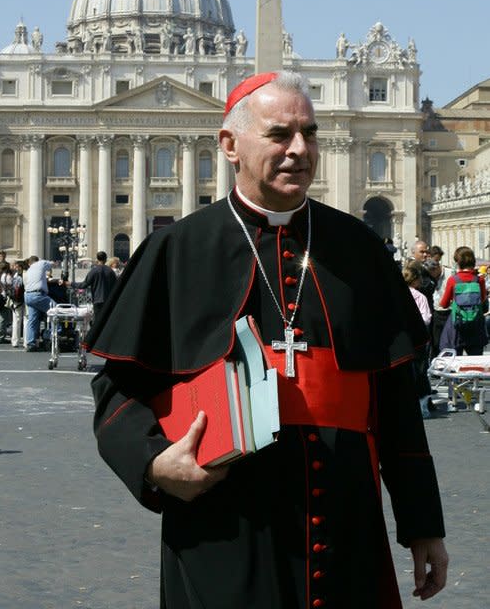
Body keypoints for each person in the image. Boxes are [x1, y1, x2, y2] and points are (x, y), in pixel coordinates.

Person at [88, 71, 448, 608]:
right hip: (225, 526)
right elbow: (117, 389)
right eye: (280, 134)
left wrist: (423, 525)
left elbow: (396, 404)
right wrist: (153, 462)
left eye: (309, 133)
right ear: (230, 145)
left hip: (347, 522)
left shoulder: (360, 250)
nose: (299, 149)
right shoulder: (176, 250)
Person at [439, 246, 487, 356]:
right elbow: (483, 299)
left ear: (457, 262)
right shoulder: (479, 280)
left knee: (453, 356)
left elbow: (444, 304)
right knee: (475, 360)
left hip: (458, 324)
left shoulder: (453, 280)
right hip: (476, 324)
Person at [402, 261, 433, 418]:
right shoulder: (420, 296)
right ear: (415, 280)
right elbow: (426, 318)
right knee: (421, 372)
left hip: (402, 339)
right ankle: (424, 406)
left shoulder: (398, 295)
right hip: (418, 340)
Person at [71, 251, 117, 322]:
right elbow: (116, 286)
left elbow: (84, 285)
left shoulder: (94, 271)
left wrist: (71, 283)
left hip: (97, 300)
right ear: (105, 259)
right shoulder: (111, 271)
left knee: (98, 321)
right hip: (109, 300)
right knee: (108, 321)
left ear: (97, 259)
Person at [23, 256, 54, 352]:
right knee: (56, 309)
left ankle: (30, 344)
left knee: (32, 320)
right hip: (38, 295)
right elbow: (52, 263)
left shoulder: (28, 271)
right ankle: (57, 333)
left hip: (28, 296)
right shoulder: (40, 264)